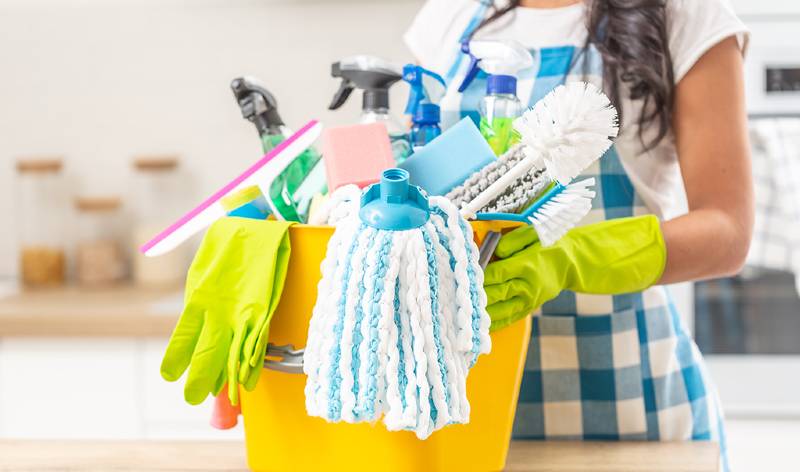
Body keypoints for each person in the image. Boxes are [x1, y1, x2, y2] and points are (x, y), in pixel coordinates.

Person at [404, 0, 752, 469]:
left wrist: (569, 259)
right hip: (470, 402)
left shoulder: (684, 14)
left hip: (630, 402)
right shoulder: (451, 14)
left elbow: (728, 230)